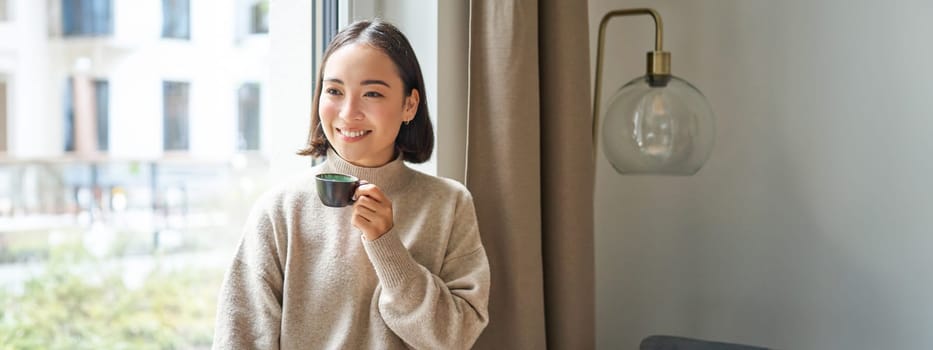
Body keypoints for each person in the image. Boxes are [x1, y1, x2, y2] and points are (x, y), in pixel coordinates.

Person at [211, 19, 490, 349]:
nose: (348, 112)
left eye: (372, 93)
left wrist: (387, 246)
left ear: (409, 105)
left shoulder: (450, 204)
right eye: (334, 91)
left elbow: (454, 338)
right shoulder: (280, 210)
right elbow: (239, 338)